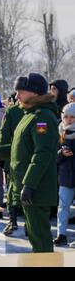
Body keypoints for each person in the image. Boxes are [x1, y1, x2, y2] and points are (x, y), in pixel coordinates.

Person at [0, 73, 58, 252]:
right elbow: (20, 147)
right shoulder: (29, 114)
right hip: (27, 186)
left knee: (40, 237)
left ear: (35, 93)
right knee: (33, 235)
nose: (16, 96)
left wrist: (29, 185)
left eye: (20, 92)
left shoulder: (43, 117)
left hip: (37, 189)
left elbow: (42, 153)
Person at [0, 94, 25, 236]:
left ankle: (12, 221)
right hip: (30, 160)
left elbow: (4, 135)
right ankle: (28, 224)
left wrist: (2, 157)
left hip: (12, 158)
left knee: (12, 191)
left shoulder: (12, 111)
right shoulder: (39, 112)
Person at [53, 103, 75, 246]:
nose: (69, 120)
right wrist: (61, 153)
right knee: (63, 207)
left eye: (73, 117)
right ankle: (61, 234)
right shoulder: (59, 132)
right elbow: (52, 157)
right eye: (66, 116)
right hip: (66, 177)